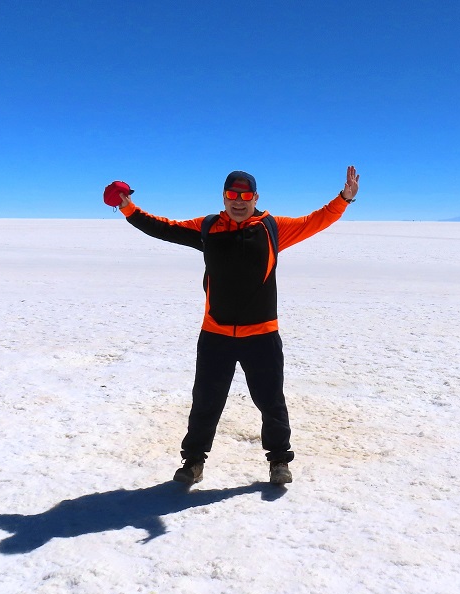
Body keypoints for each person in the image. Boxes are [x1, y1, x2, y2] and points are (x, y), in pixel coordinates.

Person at [115, 166, 360, 485]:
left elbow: (315, 220)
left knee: (271, 401)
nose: (239, 201)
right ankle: (192, 463)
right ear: (224, 197)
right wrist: (126, 207)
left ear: (255, 197)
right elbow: (162, 227)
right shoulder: (207, 227)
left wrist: (344, 199)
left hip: (262, 335)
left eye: (245, 196)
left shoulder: (273, 228)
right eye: (232, 195)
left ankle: (279, 462)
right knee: (206, 400)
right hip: (216, 335)